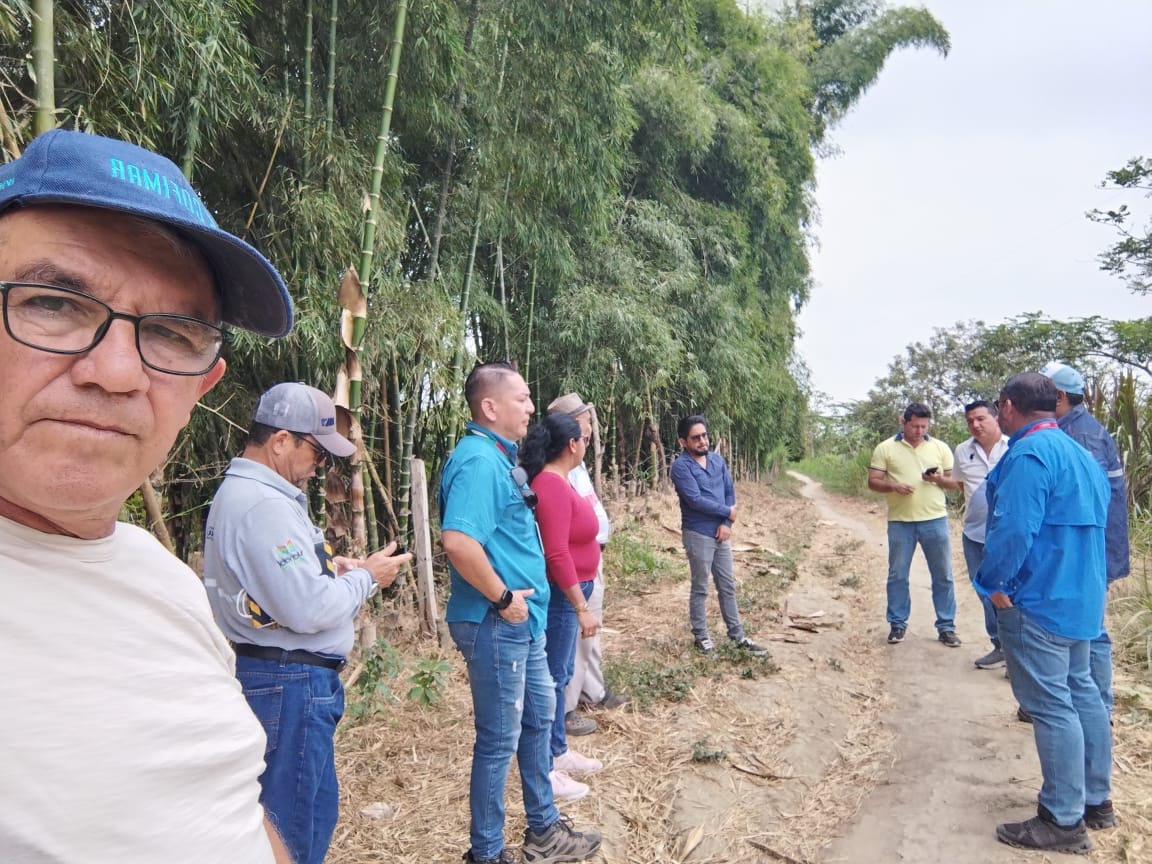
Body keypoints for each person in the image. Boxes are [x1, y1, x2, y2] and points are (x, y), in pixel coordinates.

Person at [0, 129, 296, 861]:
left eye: (170, 333)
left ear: (202, 389)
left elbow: (225, 804)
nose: (117, 372)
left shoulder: (164, 581)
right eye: (54, 304)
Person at [202, 382, 412, 864]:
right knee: (292, 831)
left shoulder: (248, 495)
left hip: (281, 677)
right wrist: (368, 578)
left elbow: (273, 585)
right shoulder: (264, 506)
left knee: (305, 816)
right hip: (288, 682)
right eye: (318, 452)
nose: (321, 466)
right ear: (281, 441)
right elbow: (309, 609)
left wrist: (334, 569)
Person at [440, 362, 601, 864]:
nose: (532, 408)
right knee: (498, 740)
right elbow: (458, 542)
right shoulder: (477, 462)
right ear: (490, 407)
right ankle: (486, 853)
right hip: (496, 621)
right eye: (523, 399)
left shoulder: (499, 457)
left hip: (521, 622)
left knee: (537, 720)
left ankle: (544, 830)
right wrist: (503, 598)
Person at [975, 373, 1113, 853]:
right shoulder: (1081, 454)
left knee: (1053, 707)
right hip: (1082, 598)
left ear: (1007, 407)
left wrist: (993, 584)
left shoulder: (1029, 455)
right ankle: (1096, 801)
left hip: (1040, 600)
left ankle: (1061, 819)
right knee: (1083, 694)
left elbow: (1014, 530)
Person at [521, 412, 605, 803]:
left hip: (570, 593)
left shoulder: (561, 480)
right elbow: (556, 553)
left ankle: (557, 749)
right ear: (572, 444)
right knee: (553, 677)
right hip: (561, 596)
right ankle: (547, 765)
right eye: (584, 440)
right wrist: (580, 605)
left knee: (561, 672)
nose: (586, 445)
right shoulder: (551, 485)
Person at [1040, 361, 1130, 712]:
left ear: (1059, 396)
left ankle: (1097, 707)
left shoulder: (1080, 436)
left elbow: (1082, 503)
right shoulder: (1078, 428)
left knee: (1090, 630)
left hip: (1091, 549)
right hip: (1093, 548)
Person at [547, 392, 630, 738]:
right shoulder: (558, 469)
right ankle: (566, 711)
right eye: (585, 421)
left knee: (590, 631)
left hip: (589, 561)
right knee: (574, 639)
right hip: (575, 569)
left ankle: (592, 692)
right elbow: (557, 544)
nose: (591, 428)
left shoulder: (576, 462)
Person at [670, 414, 768, 656]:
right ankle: (701, 637)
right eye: (696, 438)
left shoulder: (717, 461)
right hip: (698, 533)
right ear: (683, 442)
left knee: (727, 585)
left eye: (704, 435)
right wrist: (727, 513)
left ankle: (737, 635)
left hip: (721, 534)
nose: (702, 441)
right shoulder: (681, 467)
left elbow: (729, 493)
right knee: (701, 587)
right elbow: (695, 500)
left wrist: (726, 523)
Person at [867, 403, 960, 647]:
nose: (920, 431)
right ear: (903, 422)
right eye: (915, 426)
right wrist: (893, 486)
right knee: (898, 575)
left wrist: (937, 479)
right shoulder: (886, 448)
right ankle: (897, 624)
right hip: (901, 522)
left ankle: (947, 627)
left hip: (935, 519)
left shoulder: (940, 447)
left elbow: (954, 482)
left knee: (943, 575)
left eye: (924, 426)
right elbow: (873, 481)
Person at [936, 400, 1009, 668]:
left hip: (1006, 535)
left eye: (981, 419)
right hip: (974, 534)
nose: (975, 425)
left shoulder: (1015, 447)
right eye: (970, 421)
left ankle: (1017, 653)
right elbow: (959, 483)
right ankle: (1000, 646)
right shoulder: (962, 450)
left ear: (996, 417)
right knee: (985, 592)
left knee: (1011, 593)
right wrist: (937, 480)